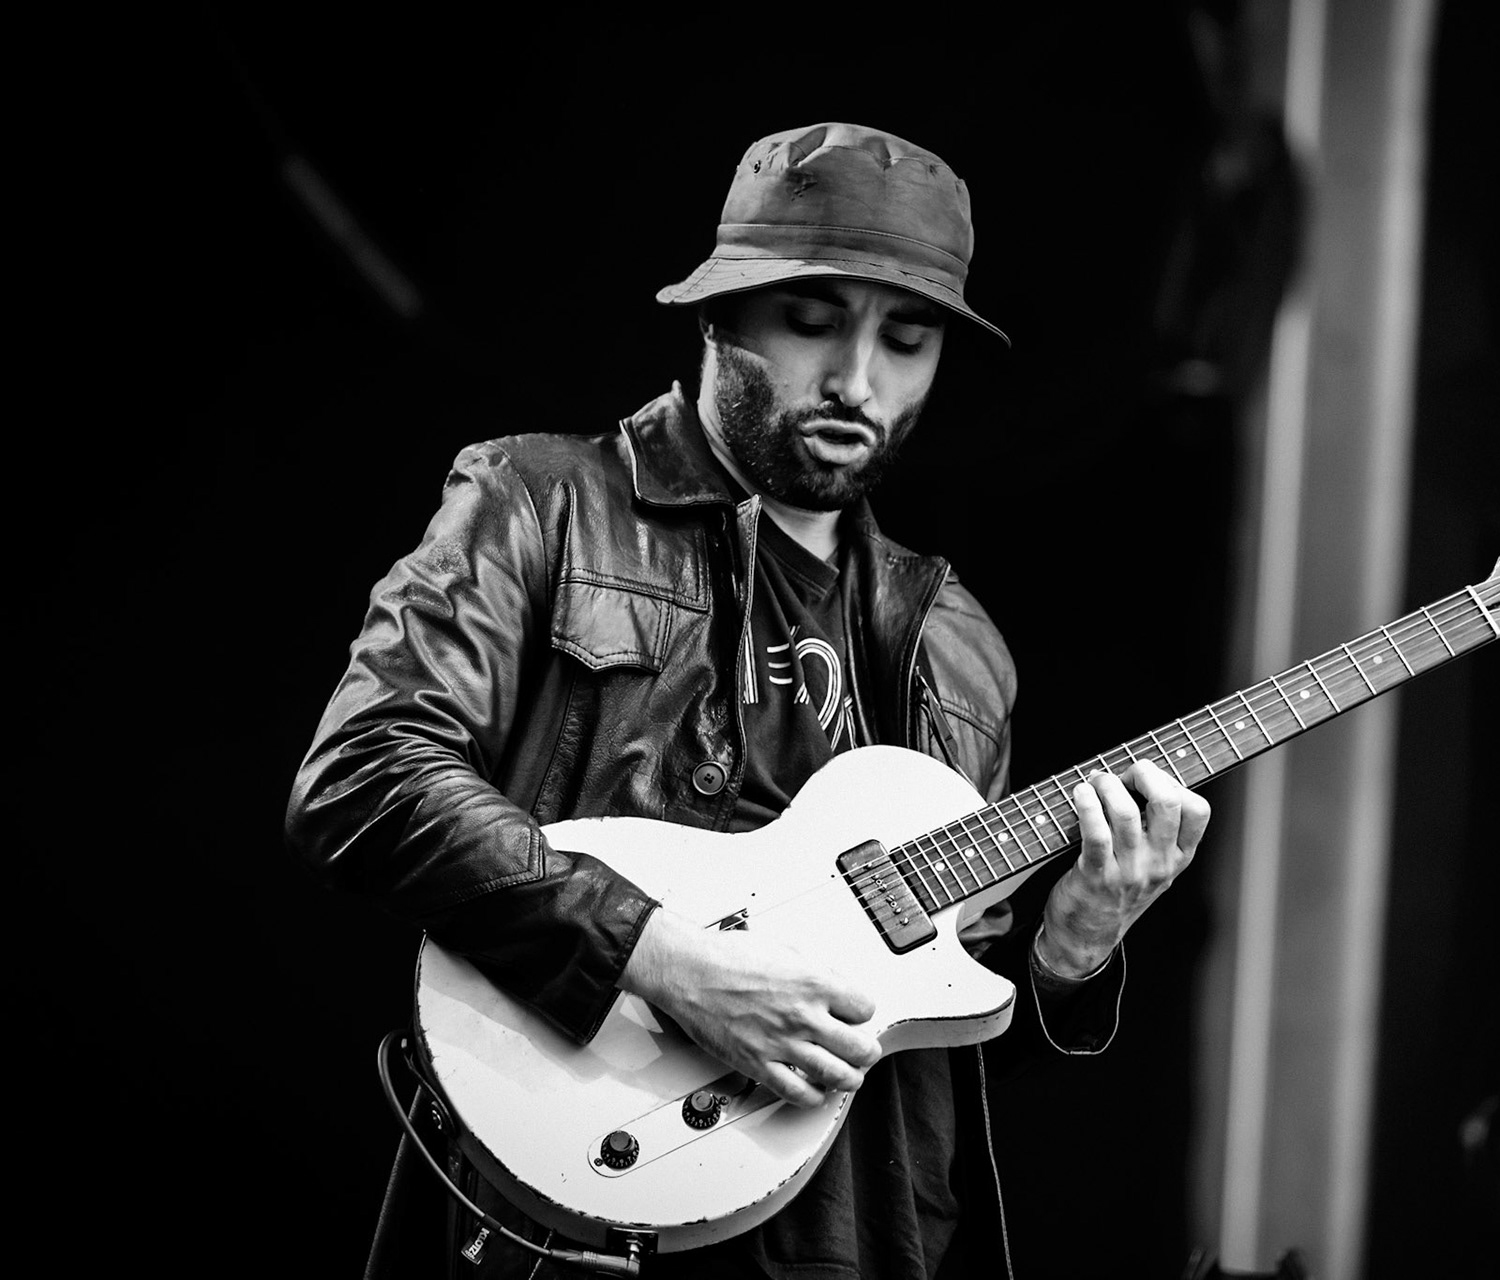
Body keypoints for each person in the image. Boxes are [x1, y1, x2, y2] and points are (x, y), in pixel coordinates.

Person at [287, 121, 1211, 1280]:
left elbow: (933, 1027)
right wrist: (666, 960)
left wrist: (1069, 953)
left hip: (864, 1238)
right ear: (723, 312)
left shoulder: (958, 643)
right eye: (815, 324)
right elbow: (364, 772)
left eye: (908, 340)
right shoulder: (542, 502)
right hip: (563, 1224)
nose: (858, 381)